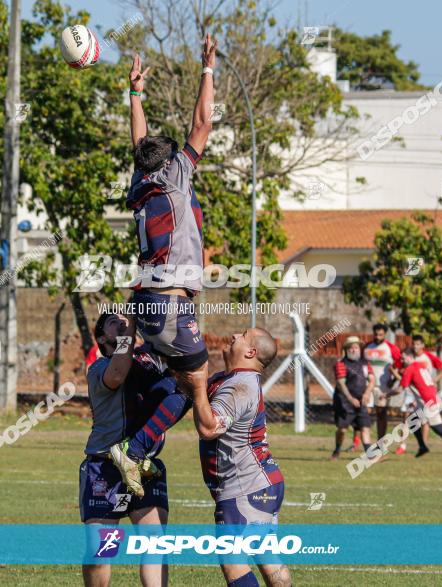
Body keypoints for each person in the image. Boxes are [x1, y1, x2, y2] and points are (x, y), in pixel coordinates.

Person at [110, 34, 218, 489]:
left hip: (147, 301)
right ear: (171, 160)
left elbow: (140, 140)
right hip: (169, 304)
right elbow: (202, 122)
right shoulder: (174, 177)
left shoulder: (142, 181)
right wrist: (208, 67)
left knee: (174, 384)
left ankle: (138, 448)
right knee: (198, 386)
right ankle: (133, 451)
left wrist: (135, 94)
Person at [82, 312, 187, 586]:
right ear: (103, 338)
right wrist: (132, 319)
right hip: (106, 468)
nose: (123, 322)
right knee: (103, 550)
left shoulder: (149, 360)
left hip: (144, 466)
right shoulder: (100, 368)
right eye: (114, 322)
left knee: (155, 545)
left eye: (124, 319)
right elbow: (118, 374)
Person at [190, 328, 291, 587]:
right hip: (264, 482)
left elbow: (209, 427)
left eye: (244, 335)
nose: (234, 334)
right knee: (266, 553)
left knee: (231, 557)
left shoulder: (240, 386)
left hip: (245, 487)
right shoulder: (231, 379)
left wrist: (199, 384)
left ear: (250, 352)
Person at [398, 348, 442, 458]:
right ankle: (422, 447)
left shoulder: (410, 369)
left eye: (403, 358)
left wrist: (387, 394)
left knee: (438, 428)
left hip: (428, 402)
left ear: (410, 357)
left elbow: (400, 389)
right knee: (412, 422)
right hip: (430, 398)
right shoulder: (420, 365)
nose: (402, 361)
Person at [331, 336, 375, 459]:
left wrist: (367, 394)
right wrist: (350, 399)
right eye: (350, 348)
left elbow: (372, 380)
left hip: (361, 401)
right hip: (344, 402)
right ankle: (337, 451)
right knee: (342, 430)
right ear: (346, 350)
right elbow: (341, 383)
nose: (353, 350)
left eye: (356, 347)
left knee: (365, 427)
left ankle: (369, 455)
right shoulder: (341, 364)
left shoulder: (365, 364)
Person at [401, 335, 442, 449]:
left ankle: (424, 444)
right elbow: (401, 370)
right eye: (414, 344)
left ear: (423, 345)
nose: (415, 346)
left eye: (418, 344)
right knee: (407, 416)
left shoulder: (428, 357)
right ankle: (402, 445)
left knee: (425, 420)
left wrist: (435, 379)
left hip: (423, 393)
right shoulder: (409, 357)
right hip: (411, 391)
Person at [363, 323, 402, 445]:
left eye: (380, 334)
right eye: (375, 334)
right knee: (364, 413)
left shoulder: (391, 348)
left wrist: (393, 381)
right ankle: (361, 442)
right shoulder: (367, 347)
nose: (377, 336)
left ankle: (380, 442)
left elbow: (399, 367)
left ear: (384, 334)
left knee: (381, 413)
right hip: (367, 386)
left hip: (383, 386)